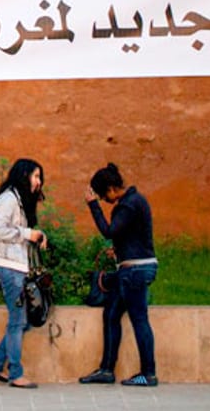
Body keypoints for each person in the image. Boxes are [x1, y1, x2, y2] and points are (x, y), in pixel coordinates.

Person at [79, 163, 159, 387]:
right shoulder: (135, 202)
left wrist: (93, 206)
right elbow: (131, 235)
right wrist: (120, 248)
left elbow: (109, 231)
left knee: (139, 320)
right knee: (112, 314)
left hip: (134, 271)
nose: (106, 200)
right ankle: (106, 370)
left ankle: (148, 374)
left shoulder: (128, 205)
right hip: (133, 268)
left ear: (112, 188)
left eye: (104, 196)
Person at [0, 159, 48, 389]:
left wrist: (36, 235)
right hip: (8, 266)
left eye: (39, 177)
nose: (38, 182)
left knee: (22, 321)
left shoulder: (19, 200)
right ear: (23, 176)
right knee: (18, 321)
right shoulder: (9, 199)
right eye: (35, 176)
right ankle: (15, 373)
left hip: (16, 266)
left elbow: (21, 233)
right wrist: (27, 234)